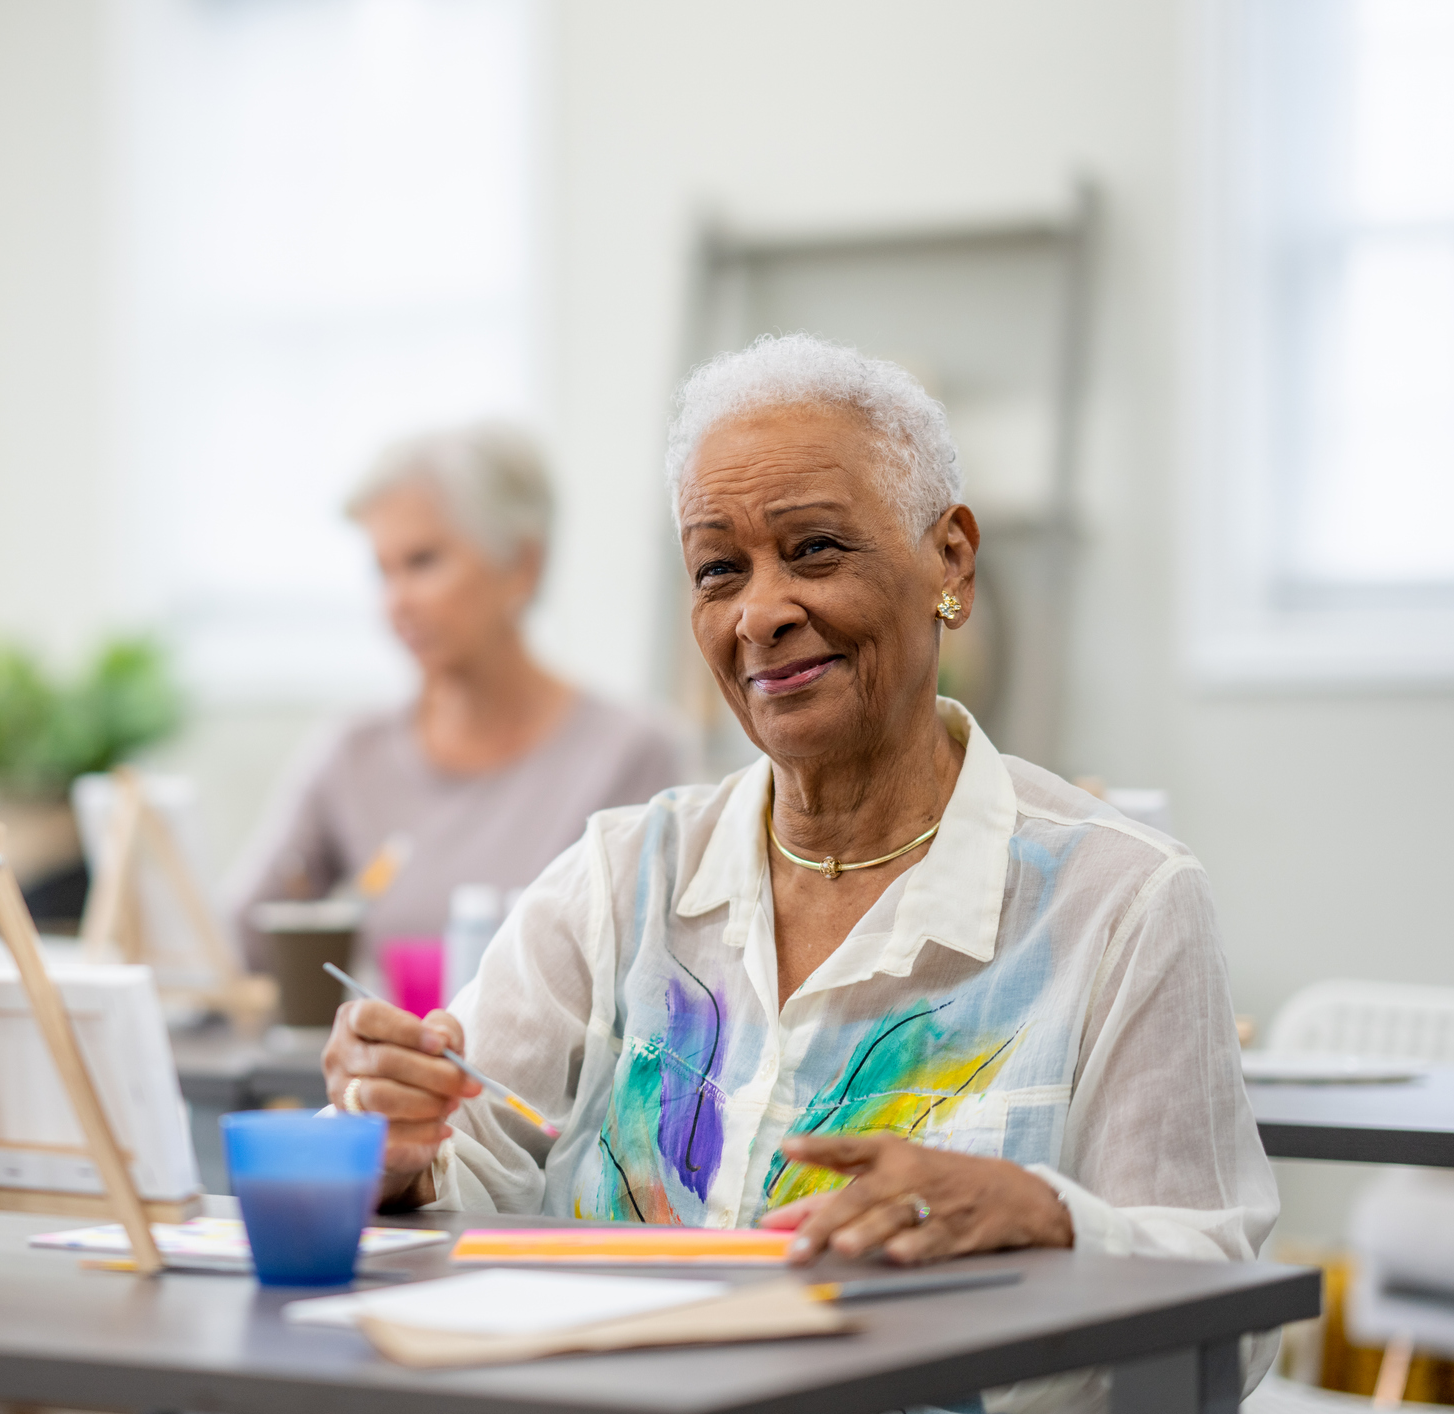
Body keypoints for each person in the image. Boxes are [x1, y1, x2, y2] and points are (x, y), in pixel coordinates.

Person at [320, 336, 1278, 1411]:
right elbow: (465, 1172)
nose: (759, 613)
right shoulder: (620, 876)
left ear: (951, 562)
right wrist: (399, 1152)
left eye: (815, 549)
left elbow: (1221, 1331)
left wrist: (1050, 1216)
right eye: (718, 568)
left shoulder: (1122, 903)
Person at [228, 423, 684, 966]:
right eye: (382, 571)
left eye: (422, 562)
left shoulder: (634, 755)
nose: (395, 602)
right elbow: (237, 938)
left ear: (521, 566)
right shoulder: (352, 754)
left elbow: (659, 973)